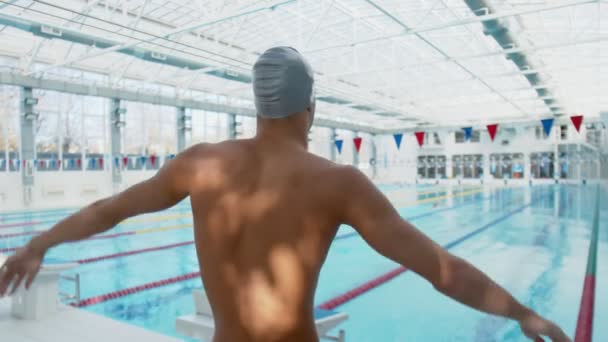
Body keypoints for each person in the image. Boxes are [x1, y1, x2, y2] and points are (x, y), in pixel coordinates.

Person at [0, 47, 569, 342]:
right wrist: (522, 314)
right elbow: (439, 269)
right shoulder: (338, 182)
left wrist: (38, 245)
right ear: (310, 109)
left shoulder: (199, 165)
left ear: (258, 106)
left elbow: (109, 210)